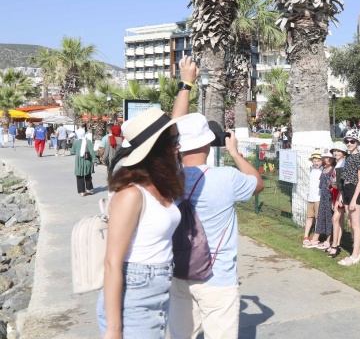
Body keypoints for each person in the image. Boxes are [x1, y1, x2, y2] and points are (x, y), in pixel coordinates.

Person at [168, 55, 264, 339]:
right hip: (216, 277)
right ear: (210, 143)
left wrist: (187, 82)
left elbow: (175, 126)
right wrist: (235, 153)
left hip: (178, 271)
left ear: (176, 145)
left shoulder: (168, 178)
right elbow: (257, 184)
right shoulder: (225, 178)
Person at [97, 107, 186, 339]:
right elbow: (112, 262)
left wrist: (185, 85)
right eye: (175, 140)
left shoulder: (158, 183)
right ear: (158, 148)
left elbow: (174, 121)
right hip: (134, 296)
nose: (179, 145)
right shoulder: (131, 194)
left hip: (158, 290)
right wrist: (114, 330)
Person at [338, 130, 360, 266]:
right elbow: (344, 178)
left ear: (357, 143)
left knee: (355, 224)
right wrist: (342, 195)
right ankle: (358, 252)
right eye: (347, 141)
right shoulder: (347, 157)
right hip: (347, 191)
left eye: (352, 141)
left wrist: (354, 199)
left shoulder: (359, 158)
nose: (349, 143)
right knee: (350, 223)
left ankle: (354, 256)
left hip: (355, 190)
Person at [307, 151, 336, 250]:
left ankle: (328, 240)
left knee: (329, 217)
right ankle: (316, 238)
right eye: (325, 157)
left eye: (329, 158)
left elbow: (334, 184)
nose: (327, 159)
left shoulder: (333, 169)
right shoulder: (324, 169)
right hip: (322, 196)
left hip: (329, 197)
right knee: (321, 216)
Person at [327, 141, 348, 258]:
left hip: (341, 194)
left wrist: (339, 196)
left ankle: (334, 245)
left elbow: (342, 183)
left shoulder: (343, 165)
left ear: (343, 152)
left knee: (335, 219)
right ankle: (336, 243)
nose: (336, 153)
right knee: (339, 219)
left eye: (339, 151)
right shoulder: (338, 164)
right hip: (336, 193)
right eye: (334, 151)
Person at [302, 151, 324, 247]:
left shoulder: (323, 170)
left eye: (318, 160)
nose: (316, 163)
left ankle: (316, 236)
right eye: (314, 161)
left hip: (318, 197)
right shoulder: (312, 169)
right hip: (310, 197)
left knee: (317, 217)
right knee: (309, 217)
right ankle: (306, 236)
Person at [70, 128, 98, 196]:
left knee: (80, 176)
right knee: (88, 175)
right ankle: (88, 189)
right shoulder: (88, 141)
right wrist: (95, 160)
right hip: (87, 160)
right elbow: (92, 152)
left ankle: (82, 192)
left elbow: (72, 152)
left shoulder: (75, 142)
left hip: (79, 162)